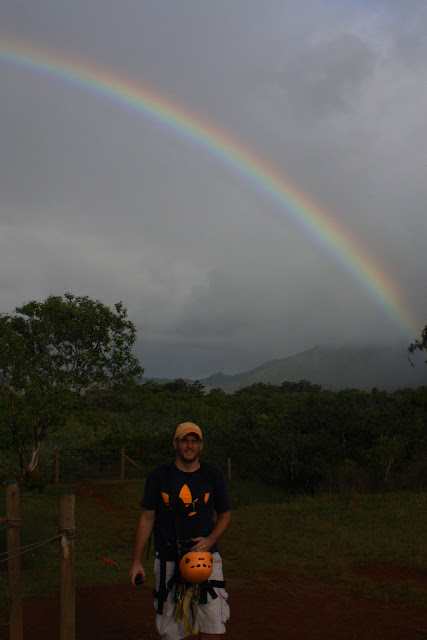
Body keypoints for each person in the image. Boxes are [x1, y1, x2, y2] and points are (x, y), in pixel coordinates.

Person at [129, 421, 231, 640]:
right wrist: (136, 561)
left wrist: (210, 540)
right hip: (168, 559)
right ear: (175, 443)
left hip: (206, 559)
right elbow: (147, 518)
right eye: (185, 440)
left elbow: (225, 514)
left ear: (201, 445)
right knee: (172, 630)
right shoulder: (159, 476)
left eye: (194, 441)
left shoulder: (212, 475)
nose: (189, 445)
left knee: (212, 625)